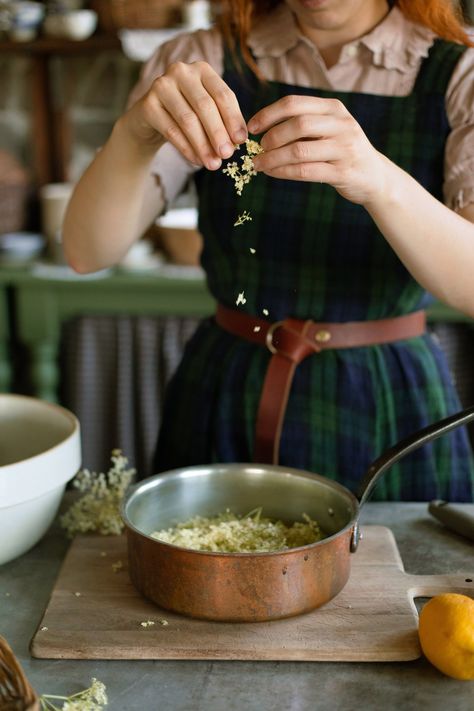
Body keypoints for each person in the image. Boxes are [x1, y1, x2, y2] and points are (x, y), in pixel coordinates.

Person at [63, 0, 474, 501]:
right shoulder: (205, 57)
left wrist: (378, 180)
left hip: (390, 397)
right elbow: (87, 251)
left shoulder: (459, 72)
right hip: (230, 385)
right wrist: (132, 136)